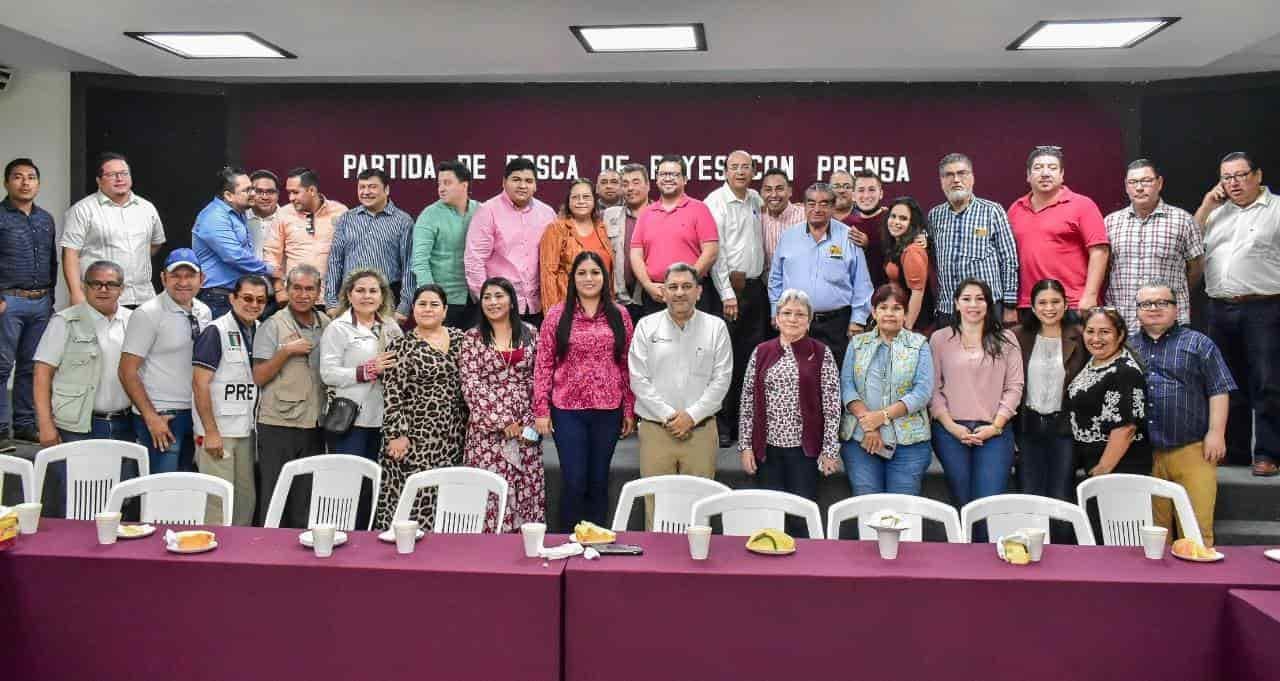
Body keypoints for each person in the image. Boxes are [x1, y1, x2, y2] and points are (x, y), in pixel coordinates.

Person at [533, 251, 635, 530]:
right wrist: (541, 409)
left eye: (595, 272)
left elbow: (627, 363)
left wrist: (628, 408)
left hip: (608, 410)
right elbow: (543, 365)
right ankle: (568, 542)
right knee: (575, 481)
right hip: (568, 411)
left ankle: (597, 543)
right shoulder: (556, 315)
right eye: (582, 273)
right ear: (572, 278)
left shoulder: (620, 314)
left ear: (605, 277)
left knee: (599, 481)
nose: (589, 278)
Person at [1194, 151, 1280, 475]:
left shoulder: (1276, 210)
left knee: (1267, 381)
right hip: (1219, 306)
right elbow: (1188, 240)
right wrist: (1205, 206)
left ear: (1257, 176)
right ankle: (1238, 450)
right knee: (1229, 382)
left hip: (1264, 305)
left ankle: (1269, 453)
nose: (1233, 183)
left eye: (1240, 175)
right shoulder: (1217, 213)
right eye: (1227, 177)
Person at [628, 263, 732, 526]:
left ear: (698, 291)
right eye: (673, 287)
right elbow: (638, 379)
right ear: (663, 292)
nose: (679, 293)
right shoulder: (645, 326)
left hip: (700, 431)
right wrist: (670, 417)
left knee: (699, 508)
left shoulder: (715, 327)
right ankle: (658, 566)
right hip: (656, 430)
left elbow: (721, 380)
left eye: (686, 286)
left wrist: (692, 417)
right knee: (656, 507)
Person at [1132, 283, 1235, 546]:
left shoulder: (1200, 344)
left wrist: (1216, 433)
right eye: (1146, 304)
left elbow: (1219, 389)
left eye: (1162, 303)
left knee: (1197, 532)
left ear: (1176, 309)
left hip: (1193, 449)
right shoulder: (1129, 346)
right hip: (1145, 455)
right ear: (1137, 312)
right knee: (1155, 535)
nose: (1154, 308)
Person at [739, 289, 840, 535]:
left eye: (799, 314)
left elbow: (832, 404)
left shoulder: (820, 352)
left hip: (804, 451)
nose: (792, 319)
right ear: (777, 317)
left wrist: (830, 450)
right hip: (767, 449)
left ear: (809, 320)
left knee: (800, 519)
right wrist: (746, 446)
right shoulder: (761, 351)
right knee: (770, 517)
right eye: (786, 313)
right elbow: (747, 401)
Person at [32, 261, 135, 502]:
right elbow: (41, 373)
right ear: (84, 287)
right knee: (78, 499)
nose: (103, 289)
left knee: (121, 500)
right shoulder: (64, 321)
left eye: (111, 284)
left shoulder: (134, 321)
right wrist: (45, 424)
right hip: (78, 427)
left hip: (124, 424)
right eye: (96, 283)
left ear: (122, 289)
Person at [929, 279, 1023, 530]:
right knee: (962, 501)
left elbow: (1014, 387)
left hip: (994, 431)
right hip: (951, 431)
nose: (973, 304)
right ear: (956, 304)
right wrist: (951, 426)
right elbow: (933, 389)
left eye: (980, 298)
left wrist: (996, 425)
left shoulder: (1006, 339)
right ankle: (963, 563)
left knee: (988, 502)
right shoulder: (940, 339)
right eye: (967, 299)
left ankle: (986, 565)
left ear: (989, 304)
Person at [373, 284, 467, 531]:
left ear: (445, 310)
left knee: (445, 498)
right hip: (415, 438)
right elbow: (393, 394)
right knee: (414, 500)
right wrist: (396, 435)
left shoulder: (461, 339)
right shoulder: (401, 347)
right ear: (413, 309)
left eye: (434, 304)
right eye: (422, 304)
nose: (428, 309)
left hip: (453, 436)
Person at [319, 267, 403, 528]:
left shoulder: (390, 326)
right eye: (361, 290)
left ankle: (367, 542)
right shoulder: (338, 328)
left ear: (382, 295)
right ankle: (343, 535)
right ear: (349, 295)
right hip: (351, 419)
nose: (367, 296)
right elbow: (328, 373)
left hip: (383, 418)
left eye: (373, 291)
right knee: (347, 484)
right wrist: (366, 371)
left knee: (375, 485)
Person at [458, 277, 543, 532]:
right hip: (487, 432)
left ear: (512, 301)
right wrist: (503, 420)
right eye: (487, 297)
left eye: (499, 296)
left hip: (526, 429)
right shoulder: (472, 338)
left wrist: (529, 422)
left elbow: (539, 379)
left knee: (525, 489)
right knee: (490, 493)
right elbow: (471, 383)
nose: (493, 302)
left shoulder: (531, 333)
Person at [118, 248, 213, 474]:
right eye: (175, 276)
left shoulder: (204, 312)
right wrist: (151, 418)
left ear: (202, 279)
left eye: (189, 276)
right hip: (162, 414)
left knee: (186, 490)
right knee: (161, 492)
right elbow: (126, 371)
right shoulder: (147, 313)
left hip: (193, 413)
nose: (182, 282)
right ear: (163, 278)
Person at [252, 264, 330, 528]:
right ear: (286, 290)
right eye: (296, 288)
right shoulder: (272, 325)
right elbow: (259, 376)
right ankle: (269, 557)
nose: (303, 294)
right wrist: (285, 352)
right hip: (278, 424)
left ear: (319, 292)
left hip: (314, 424)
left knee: (305, 499)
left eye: (309, 289)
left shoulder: (327, 325)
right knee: (275, 496)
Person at [839, 284, 934, 496]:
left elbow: (922, 392)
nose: (889, 313)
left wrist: (881, 417)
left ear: (906, 313)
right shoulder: (857, 343)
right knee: (866, 500)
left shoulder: (919, 345)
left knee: (902, 505)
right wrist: (869, 425)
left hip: (908, 441)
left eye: (897, 308)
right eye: (883, 307)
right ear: (874, 312)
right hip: (862, 438)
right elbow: (847, 385)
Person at [768, 182, 873, 367]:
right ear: (804, 206)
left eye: (824, 203)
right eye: (811, 203)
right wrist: (775, 310)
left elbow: (862, 282)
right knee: (796, 379)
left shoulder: (849, 237)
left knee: (834, 379)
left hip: (837, 325)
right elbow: (775, 277)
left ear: (833, 207)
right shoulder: (788, 237)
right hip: (795, 321)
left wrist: (858, 320)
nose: (817, 209)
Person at [192, 275, 267, 526]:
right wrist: (210, 431)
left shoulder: (260, 330)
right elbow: (200, 384)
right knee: (217, 501)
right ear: (232, 298)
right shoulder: (216, 331)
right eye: (247, 298)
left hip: (247, 431)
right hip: (219, 433)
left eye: (260, 300)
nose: (253, 304)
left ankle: (241, 557)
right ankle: (212, 560)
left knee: (246, 500)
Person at [705, 150, 768, 446]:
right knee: (725, 362)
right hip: (729, 293)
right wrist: (728, 294)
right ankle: (723, 425)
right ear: (725, 171)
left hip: (755, 290)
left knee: (750, 360)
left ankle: (746, 424)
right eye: (734, 167)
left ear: (754, 171)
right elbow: (716, 253)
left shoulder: (755, 199)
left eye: (746, 167)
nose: (740, 172)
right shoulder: (715, 203)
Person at [1007, 146, 1110, 317]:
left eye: (1052, 168)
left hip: (1072, 303)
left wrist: (1090, 296)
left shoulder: (1083, 205)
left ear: (1062, 175)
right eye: (1038, 168)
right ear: (1028, 175)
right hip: (1028, 305)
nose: (1045, 173)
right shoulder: (1016, 209)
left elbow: (1100, 251)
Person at [1104, 159, 1203, 330]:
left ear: (1159, 183)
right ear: (1126, 186)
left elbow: (1196, 269)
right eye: (1133, 182)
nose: (1139, 187)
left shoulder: (1183, 220)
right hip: (1123, 321)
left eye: (1146, 181)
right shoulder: (1110, 223)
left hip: (1170, 321)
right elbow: (1104, 270)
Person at [1013, 279, 1087, 502]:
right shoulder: (1017, 336)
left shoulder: (1081, 336)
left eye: (1055, 302)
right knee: (1028, 493)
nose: (1049, 308)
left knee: (1061, 495)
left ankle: (1060, 538)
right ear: (1033, 307)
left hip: (1064, 428)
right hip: (1028, 426)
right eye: (1042, 302)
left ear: (1066, 305)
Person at [927, 153, 1019, 328]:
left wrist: (1009, 305)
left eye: (962, 173)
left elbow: (1009, 260)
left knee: (990, 354)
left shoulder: (992, 211)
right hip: (948, 309)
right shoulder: (935, 215)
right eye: (949, 175)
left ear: (972, 177)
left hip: (986, 307)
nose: (956, 180)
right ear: (941, 181)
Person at [1, 157, 56, 448]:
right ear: (7, 182)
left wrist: (52, 299)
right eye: (18, 177)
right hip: (8, 301)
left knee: (31, 367)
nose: (25, 183)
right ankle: (0, 430)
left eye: (31, 177)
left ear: (38, 183)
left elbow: (52, 261)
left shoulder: (44, 218)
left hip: (41, 302)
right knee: (1, 366)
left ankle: (24, 425)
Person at [62, 152, 165, 308]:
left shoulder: (146, 208)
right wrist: (76, 293)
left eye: (124, 173)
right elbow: (70, 253)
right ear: (99, 180)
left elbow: (155, 244)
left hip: (143, 298)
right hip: (101, 298)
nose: (119, 178)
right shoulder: (83, 210)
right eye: (112, 174)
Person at [465, 157, 557, 325]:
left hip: (538, 306)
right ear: (504, 182)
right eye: (516, 180)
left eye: (528, 181)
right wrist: (488, 300)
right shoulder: (488, 211)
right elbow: (474, 260)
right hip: (500, 307)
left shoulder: (548, 214)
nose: (523, 185)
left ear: (535, 185)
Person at [629, 155, 721, 318]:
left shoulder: (699, 209)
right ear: (656, 180)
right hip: (655, 296)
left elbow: (711, 251)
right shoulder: (646, 213)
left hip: (691, 295)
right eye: (663, 174)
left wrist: (686, 283)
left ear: (685, 179)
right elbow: (636, 254)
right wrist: (647, 285)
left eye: (674, 174)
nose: (668, 179)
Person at [1066, 307, 1149, 477]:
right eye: (1090, 331)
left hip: (1119, 467)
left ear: (1120, 335)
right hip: (1093, 462)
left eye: (1104, 332)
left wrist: (1103, 468)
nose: (1096, 338)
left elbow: (1126, 428)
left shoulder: (1125, 371)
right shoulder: (1093, 362)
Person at [323, 169, 414, 320]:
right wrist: (331, 302)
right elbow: (335, 261)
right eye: (362, 187)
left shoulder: (403, 221)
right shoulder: (347, 219)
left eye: (372, 187)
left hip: (387, 300)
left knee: (385, 343)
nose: (366, 192)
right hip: (349, 299)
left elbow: (409, 267)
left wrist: (404, 307)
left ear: (386, 189)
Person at [192, 166, 274, 320]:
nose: (253, 194)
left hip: (234, 295)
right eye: (247, 190)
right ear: (229, 195)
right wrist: (269, 270)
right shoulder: (214, 217)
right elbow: (234, 256)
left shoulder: (238, 212)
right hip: (218, 297)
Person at [267, 167, 348, 307]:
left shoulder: (340, 212)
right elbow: (271, 254)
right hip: (294, 299)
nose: (291, 198)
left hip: (332, 301)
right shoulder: (283, 214)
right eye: (289, 192)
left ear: (311, 190)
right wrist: (279, 289)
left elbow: (350, 254)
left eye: (295, 192)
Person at [414, 160, 479, 328]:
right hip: (444, 301)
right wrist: (432, 298)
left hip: (476, 298)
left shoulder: (481, 211)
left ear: (464, 185)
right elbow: (420, 262)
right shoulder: (429, 215)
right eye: (439, 183)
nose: (441, 188)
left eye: (447, 183)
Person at [539, 178, 613, 311]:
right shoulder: (556, 229)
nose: (581, 201)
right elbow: (548, 275)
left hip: (602, 308)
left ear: (594, 201)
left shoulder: (602, 228)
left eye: (586, 197)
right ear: (568, 202)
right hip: (568, 308)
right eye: (575, 197)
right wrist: (552, 316)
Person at [604, 163, 651, 321]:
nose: (630, 188)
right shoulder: (609, 216)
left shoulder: (660, 214)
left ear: (648, 185)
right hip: (617, 302)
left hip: (651, 299)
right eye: (625, 184)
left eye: (636, 182)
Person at [881, 197, 935, 331]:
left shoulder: (912, 251)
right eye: (893, 216)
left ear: (912, 223)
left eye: (903, 218)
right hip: (899, 317)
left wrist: (907, 328)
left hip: (915, 326)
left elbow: (917, 293)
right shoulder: (897, 244)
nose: (896, 222)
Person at [845, 170, 889, 287]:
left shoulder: (893, 219)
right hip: (855, 297)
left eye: (871, 190)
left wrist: (869, 246)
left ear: (881, 193)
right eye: (861, 190)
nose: (866, 195)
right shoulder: (846, 224)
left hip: (888, 298)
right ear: (853, 196)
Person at [759, 168, 804, 273]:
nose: (774, 195)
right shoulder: (757, 219)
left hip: (800, 282)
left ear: (790, 191)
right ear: (761, 193)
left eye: (779, 189)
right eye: (768, 190)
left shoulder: (806, 216)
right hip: (764, 284)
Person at [245, 170, 282, 261]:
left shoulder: (289, 219)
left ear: (278, 194)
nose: (265, 197)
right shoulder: (238, 218)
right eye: (259, 191)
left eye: (270, 192)